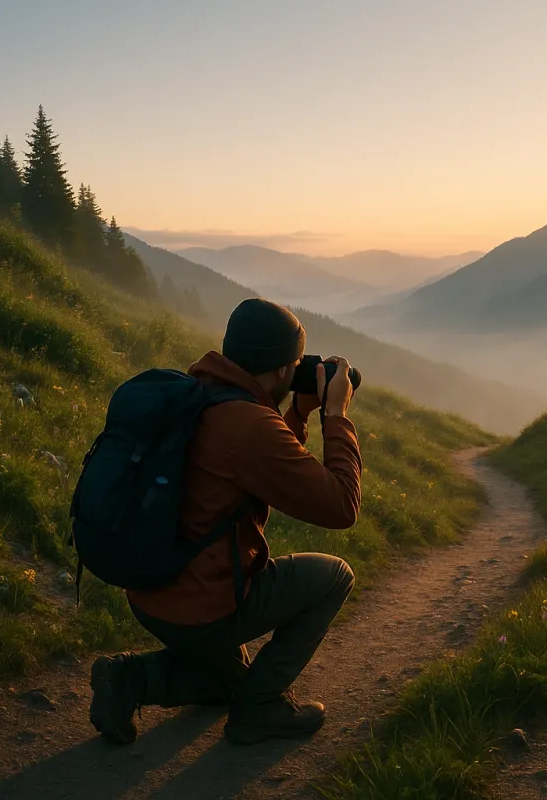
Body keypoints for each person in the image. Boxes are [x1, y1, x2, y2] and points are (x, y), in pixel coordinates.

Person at [87, 298, 361, 746]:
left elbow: (262, 465)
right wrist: (336, 415)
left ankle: (130, 678)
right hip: (202, 608)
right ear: (281, 369)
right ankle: (260, 709)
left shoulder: (200, 392)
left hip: (150, 590)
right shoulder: (249, 425)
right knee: (334, 576)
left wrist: (298, 414)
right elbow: (341, 507)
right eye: (295, 364)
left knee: (234, 679)